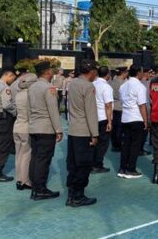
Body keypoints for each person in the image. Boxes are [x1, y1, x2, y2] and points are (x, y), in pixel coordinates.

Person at [66, 60, 99, 207]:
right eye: (95, 71)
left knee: (73, 164)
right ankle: (78, 196)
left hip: (73, 129)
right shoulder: (88, 86)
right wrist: (95, 134)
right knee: (84, 165)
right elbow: (90, 112)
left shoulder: (72, 83)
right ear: (90, 71)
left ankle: (72, 193)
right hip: (84, 130)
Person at [28, 61, 63, 200]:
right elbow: (53, 110)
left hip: (34, 126)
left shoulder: (32, 87)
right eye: (51, 70)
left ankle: (35, 187)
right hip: (46, 128)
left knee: (35, 157)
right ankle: (40, 189)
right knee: (44, 159)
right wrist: (58, 130)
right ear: (47, 72)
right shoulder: (49, 88)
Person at [118, 65, 149, 179]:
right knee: (135, 145)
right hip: (136, 118)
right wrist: (145, 120)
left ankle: (122, 168)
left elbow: (122, 101)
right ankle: (131, 169)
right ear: (138, 73)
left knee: (126, 144)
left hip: (125, 117)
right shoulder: (140, 87)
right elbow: (142, 105)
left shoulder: (123, 86)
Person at [13, 73, 37, 191]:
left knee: (19, 154)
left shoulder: (19, 94)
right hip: (26, 127)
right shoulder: (29, 94)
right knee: (27, 154)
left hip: (17, 126)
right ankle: (25, 181)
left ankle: (19, 179)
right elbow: (30, 114)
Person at [92, 66, 113, 174]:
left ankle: (92, 163)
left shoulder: (93, 84)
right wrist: (109, 122)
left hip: (93, 117)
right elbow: (108, 105)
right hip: (103, 117)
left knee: (94, 141)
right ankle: (97, 164)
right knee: (103, 143)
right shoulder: (106, 87)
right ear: (107, 74)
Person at [109, 67, 127, 152]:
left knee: (114, 126)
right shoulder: (125, 83)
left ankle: (114, 143)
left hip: (113, 106)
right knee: (120, 127)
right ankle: (118, 144)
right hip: (121, 106)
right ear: (123, 73)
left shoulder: (111, 82)